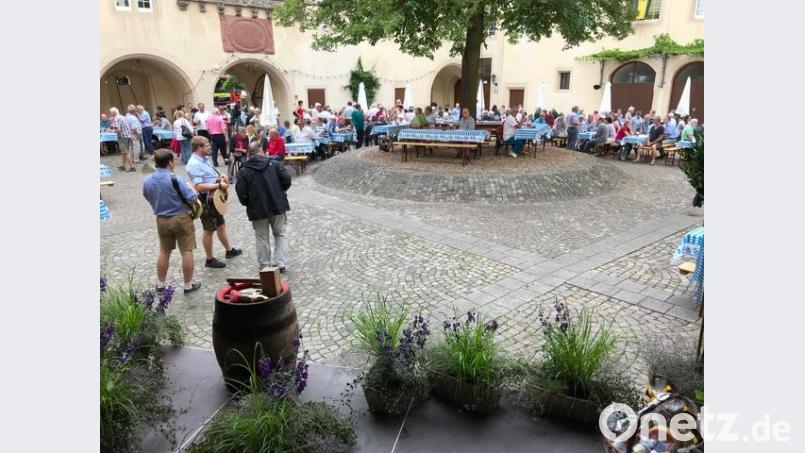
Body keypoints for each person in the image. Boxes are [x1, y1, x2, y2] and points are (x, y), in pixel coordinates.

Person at [141, 148, 201, 294]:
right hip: (181, 218)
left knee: (164, 251)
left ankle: (160, 284)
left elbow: (146, 195)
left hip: (161, 219)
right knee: (186, 251)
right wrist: (192, 188)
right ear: (169, 162)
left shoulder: (147, 180)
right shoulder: (176, 179)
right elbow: (192, 198)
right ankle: (188, 285)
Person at [185, 136, 242, 268]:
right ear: (199, 148)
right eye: (207, 145)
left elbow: (209, 177)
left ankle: (229, 250)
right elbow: (199, 186)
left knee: (221, 225)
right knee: (209, 229)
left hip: (215, 199)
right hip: (206, 200)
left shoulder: (204, 159)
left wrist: (220, 177)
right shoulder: (193, 164)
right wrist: (219, 185)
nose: (210, 147)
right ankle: (209, 259)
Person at [236, 141, 292, 273]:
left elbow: (241, 193)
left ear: (249, 154)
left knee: (261, 237)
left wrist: (248, 203)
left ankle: (265, 266)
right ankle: (280, 263)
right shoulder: (274, 164)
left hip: (257, 209)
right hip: (277, 205)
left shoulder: (244, 170)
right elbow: (286, 179)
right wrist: (280, 192)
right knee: (280, 234)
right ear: (261, 151)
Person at [110, 107, 136, 171]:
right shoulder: (122, 117)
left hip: (122, 137)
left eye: (111, 113)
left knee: (125, 152)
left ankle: (132, 167)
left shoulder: (116, 118)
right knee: (123, 152)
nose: (110, 114)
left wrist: (112, 131)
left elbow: (118, 129)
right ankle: (123, 165)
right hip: (127, 136)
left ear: (114, 112)